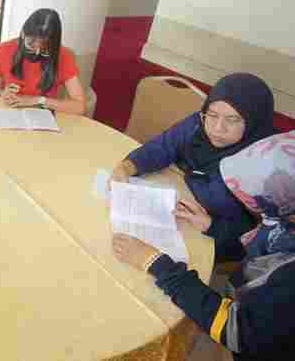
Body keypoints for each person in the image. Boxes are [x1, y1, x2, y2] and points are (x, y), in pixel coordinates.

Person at [113, 131, 295, 361]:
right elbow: (257, 250)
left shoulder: (288, 282)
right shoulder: (284, 218)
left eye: (254, 199)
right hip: (245, 299)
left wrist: (157, 264)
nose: (249, 205)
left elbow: (236, 331)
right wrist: (211, 226)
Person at [111, 73, 275, 262]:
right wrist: (128, 166)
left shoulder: (266, 164)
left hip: (214, 239)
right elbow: (163, 146)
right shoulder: (198, 124)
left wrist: (210, 225)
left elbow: (260, 236)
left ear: (254, 122)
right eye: (212, 115)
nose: (217, 128)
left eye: (232, 119)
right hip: (180, 211)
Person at [0, 8, 86, 115]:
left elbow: (79, 107)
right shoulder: (5, 49)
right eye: (31, 44)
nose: (36, 52)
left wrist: (38, 100)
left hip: (42, 117)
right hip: (9, 114)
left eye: (44, 48)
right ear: (23, 34)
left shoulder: (63, 56)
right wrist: (3, 93)